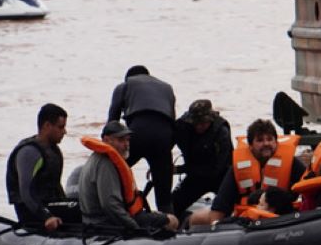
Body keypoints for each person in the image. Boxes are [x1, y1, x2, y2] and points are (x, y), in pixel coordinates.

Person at [188, 118, 305, 226]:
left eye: (270, 139)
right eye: (260, 140)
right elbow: (221, 205)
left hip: (282, 219)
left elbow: (308, 190)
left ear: (276, 142)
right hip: (246, 222)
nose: (266, 144)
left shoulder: (292, 164)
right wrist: (216, 229)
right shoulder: (238, 168)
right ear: (250, 146)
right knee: (197, 218)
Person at [77, 121, 178, 233]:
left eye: (127, 140)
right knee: (171, 220)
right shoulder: (105, 164)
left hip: (103, 219)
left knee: (158, 215)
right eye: (121, 140)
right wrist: (135, 228)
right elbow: (110, 205)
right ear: (106, 140)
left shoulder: (98, 159)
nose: (126, 144)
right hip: (105, 223)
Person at [107, 65, 177, 212]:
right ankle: (170, 226)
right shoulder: (167, 88)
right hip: (164, 137)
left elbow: (112, 124)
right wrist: (159, 161)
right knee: (164, 198)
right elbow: (172, 124)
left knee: (114, 172)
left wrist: (108, 152)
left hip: (138, 132)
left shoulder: (125, 85)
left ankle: (117, 212)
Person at [5, 103, 79, 231]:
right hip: (32, 212)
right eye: (61, 127)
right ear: (47, 126)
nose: (65, 132)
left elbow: (56, 185)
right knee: (79, 209)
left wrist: (66, 203)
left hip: (50, 205)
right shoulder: (29, 153)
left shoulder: (54, 151)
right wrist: (47, 217)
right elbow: (26, 193)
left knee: (83, 205)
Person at [171, 99, 232, 217]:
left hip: (221, 176)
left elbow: (215, 170)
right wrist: (161, 164)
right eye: (195, 123)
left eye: (203, 123)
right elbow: (166, 143)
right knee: (173, 205)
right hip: (195, 176)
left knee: (231, 207)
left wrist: (179, 170)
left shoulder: (221, 132)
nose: (199, 126)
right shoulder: (182, 126)